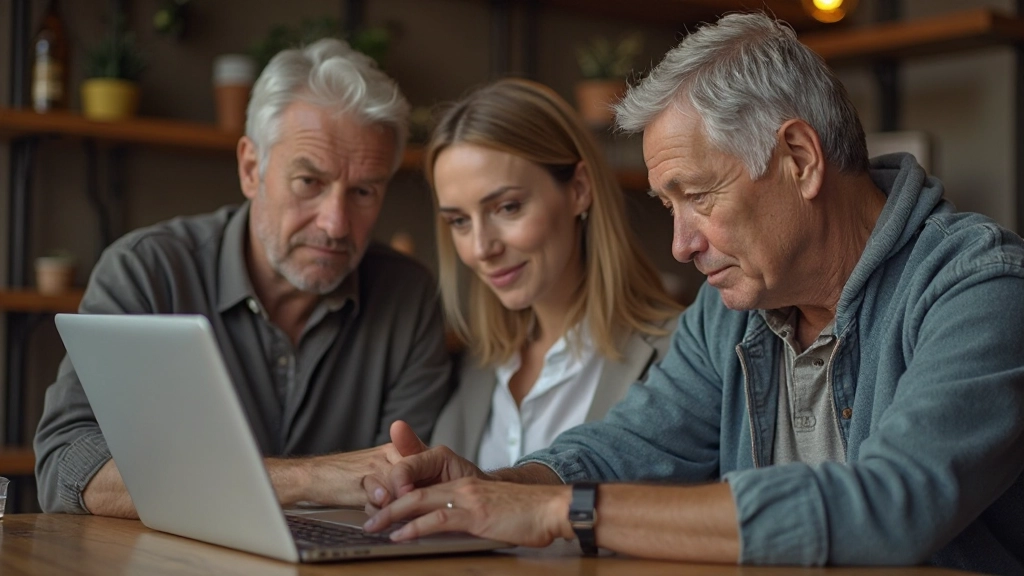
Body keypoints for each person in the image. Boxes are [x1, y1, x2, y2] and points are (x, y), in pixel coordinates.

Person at [360, 13, 1024, 573]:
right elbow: (627, 446)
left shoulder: (980, 290)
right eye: (667, 205)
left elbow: (890, 505)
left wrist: (560, 512)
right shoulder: (733, 308)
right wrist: (490, 489)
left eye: (698, 196)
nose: (681, 245)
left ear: (800, 157)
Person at [34, 39, 453, 517]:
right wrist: (306, 478)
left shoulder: (409, 297)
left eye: (363, 191)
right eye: (309, 182)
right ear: (252, 168)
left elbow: (405, 484)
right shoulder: (147, 273)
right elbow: (67, 469)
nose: (336, 224)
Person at [425, 79, 683, 469]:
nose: (481, 248)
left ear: (579, 188)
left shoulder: (678, 356)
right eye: (459, 221)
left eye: (507, 208)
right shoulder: (477, 364)